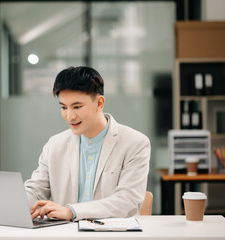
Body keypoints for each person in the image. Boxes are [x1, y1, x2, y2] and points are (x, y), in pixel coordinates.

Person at [24, 66, 151, 221]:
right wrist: (15, 201)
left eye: (77, 107)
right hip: (65, 234)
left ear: (99, 103)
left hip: (113, 234)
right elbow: (37, 190)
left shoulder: (135, 143)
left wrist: (71, 211)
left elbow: (127, 200)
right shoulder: (54, 145)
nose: (70, 116)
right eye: (63, 107)